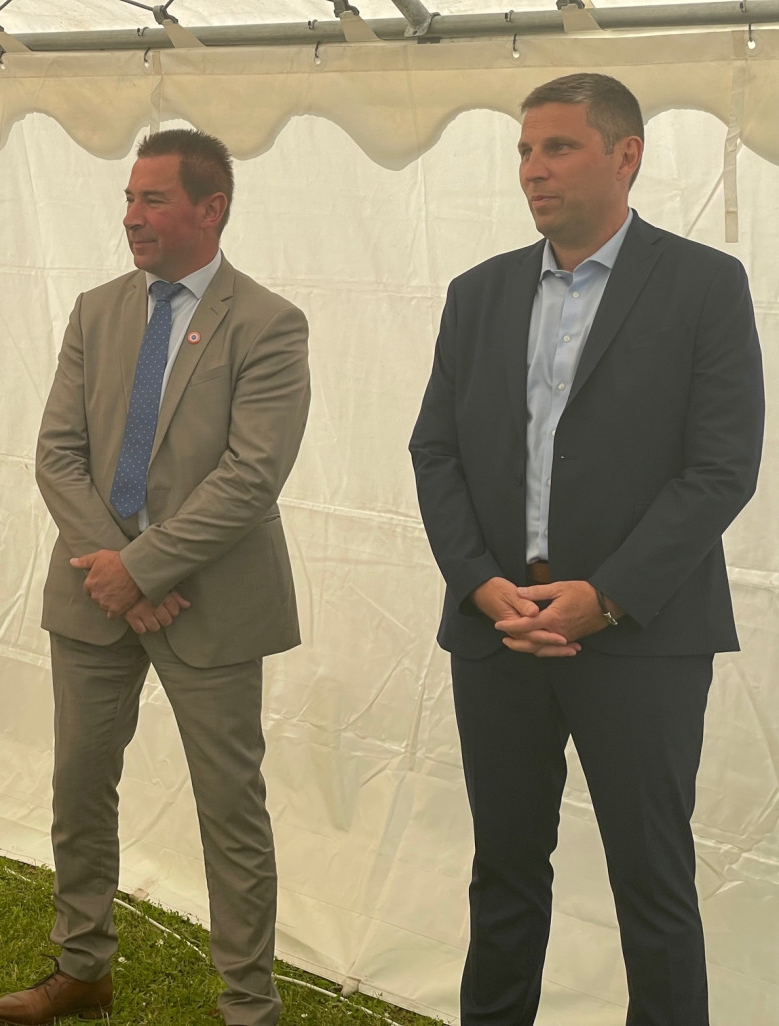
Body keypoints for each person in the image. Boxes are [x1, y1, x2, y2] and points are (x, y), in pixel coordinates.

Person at [409, 73, 763, 1025]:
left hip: (641, 637)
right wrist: (481, 583)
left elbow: (722, 468)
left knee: (653, 884)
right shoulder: (477, 295)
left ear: (626, 155)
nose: (533, 169)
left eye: (557, 147)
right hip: (498, 633)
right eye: (525, 150)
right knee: (506, 875)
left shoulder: (704, 285)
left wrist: (604, 596)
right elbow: (433, 450)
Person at [0, 130, 310, 1026]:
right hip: (97, 598)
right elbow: (58, 454)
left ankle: (250, 1004)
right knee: (80, 787)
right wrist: (116, 571)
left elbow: (252, 474)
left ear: (212, 210)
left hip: (211, 604)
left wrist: (146, 567)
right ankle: (81, 967)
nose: (131, 217)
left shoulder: (270, 323)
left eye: (153, 200)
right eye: (128, 199)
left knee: (229, 811)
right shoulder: (96, 310)